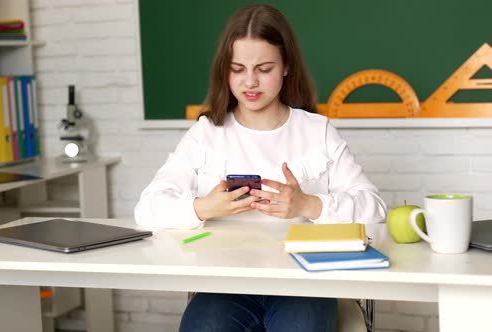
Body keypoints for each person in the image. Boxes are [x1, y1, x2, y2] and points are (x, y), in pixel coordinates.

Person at [135, 4, 387, 332]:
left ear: (285, 67)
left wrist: (309, 205)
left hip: (305, 281)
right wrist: (202, 207)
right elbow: (147, 208)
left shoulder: (317, 131)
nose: (250, 82)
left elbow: (376, 210)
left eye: (264, 68)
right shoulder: (206, 132)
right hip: (225, 284)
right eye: (237, 69)